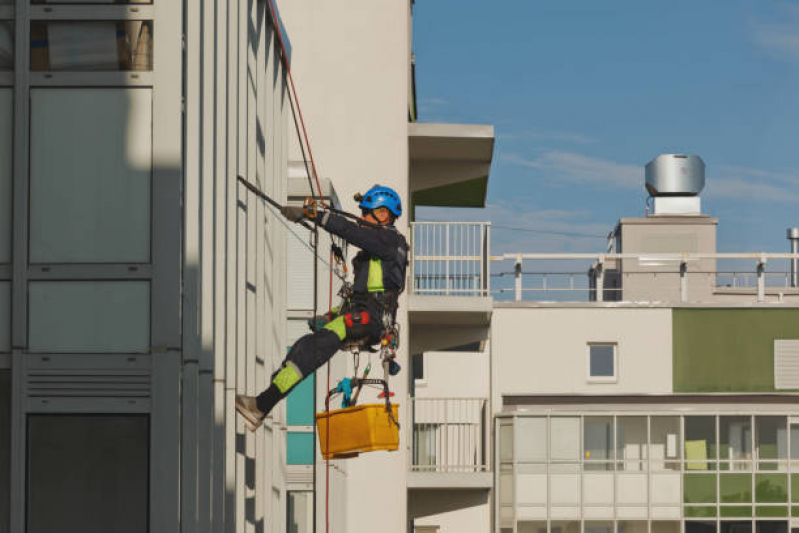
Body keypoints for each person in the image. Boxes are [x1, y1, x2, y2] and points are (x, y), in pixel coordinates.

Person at [235, 185, 408, 431]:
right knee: (305, 347)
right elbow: (365, 296)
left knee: (311, 350)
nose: (361, 219)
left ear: (383, 214)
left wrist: (316, 214)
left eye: (366, 213)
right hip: (365, 317)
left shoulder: (389, 239)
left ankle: (260, 406)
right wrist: (331, 316)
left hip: (368, 319)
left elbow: (351, 232)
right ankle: (260, 405)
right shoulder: (379, 252)